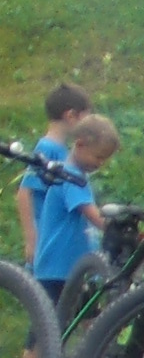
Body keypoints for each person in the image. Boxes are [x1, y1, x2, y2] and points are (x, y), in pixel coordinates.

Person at [31, 113, 118, 295]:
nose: (101, 163)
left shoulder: (76, 176)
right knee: (57, 313)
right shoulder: (70, 178)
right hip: (59, 270)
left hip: (74, 268)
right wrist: (117, 230)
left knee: (86, 310)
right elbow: (92, 214)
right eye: (98, 157)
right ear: (79, 145)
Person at [14, 79, 89, 263]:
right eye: (86, 118)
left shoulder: (62, 150)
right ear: (71, 116)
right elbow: (25, 192)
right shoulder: (48, 149)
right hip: (46, 240)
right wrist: (31, 239)